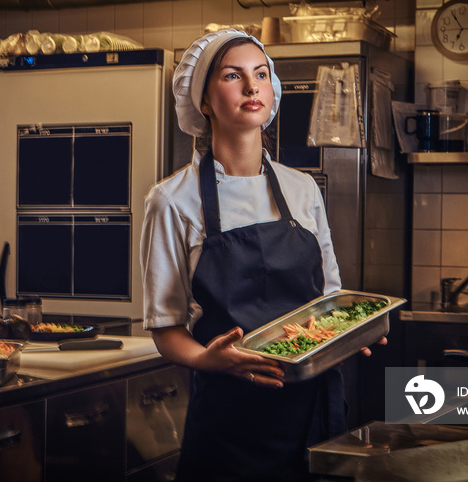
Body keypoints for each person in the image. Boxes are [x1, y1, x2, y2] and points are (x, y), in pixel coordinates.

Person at [140, 29, 384, 482]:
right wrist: (206, 359)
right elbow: (165, 327)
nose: (253, 87)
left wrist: (350, 333)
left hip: (314, 410)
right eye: (234, 76)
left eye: (261, 74)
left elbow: (330, 300)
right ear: (205, 102)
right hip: (232, 419)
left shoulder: (302, 188)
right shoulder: (172, 201)